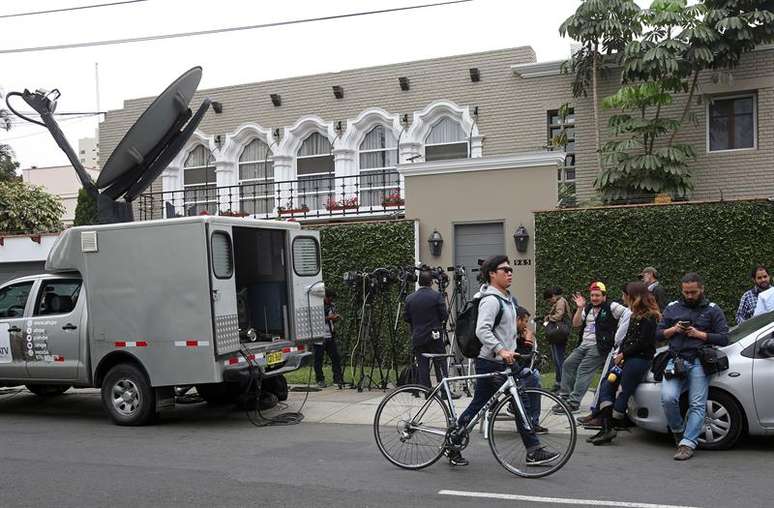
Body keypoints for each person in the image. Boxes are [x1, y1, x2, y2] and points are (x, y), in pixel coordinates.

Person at [449, 255, 558, 467]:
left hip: (503, 362)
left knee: (481, 405)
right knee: (518, 402)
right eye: (504, 269)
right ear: (492, 273)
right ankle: (533, 450)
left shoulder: (506, 299)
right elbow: (483, 330)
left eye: (511, 270)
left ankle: (453, 441)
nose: (509, 273)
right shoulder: (491, 300)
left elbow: (505, 331)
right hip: (492, 362)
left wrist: (518, 347)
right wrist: (501, 350)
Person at [659, 272, 729, 461]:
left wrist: (701, 335)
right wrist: (674, 329)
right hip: (676, 360)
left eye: (693, 292)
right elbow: (657, 335)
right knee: (667, 398)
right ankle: (678, 431)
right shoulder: (672, 307)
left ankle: (687, 444)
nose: (689, 296)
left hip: (699, 361)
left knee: (697, 404)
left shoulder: (713, 309)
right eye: (686, 292)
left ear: (702, 289)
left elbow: (724, 337)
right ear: (681, 290)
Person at [588, 282, 659, 445]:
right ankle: (606, 428)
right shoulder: (634, 315)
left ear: (632, 296)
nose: (622, 298)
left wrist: (623, 354)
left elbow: (643, 342)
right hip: (626, 358)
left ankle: (609, 427)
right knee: (607, 385)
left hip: (639, 360)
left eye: (624, 294)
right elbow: (628, 338)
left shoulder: (650, 317)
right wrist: (620, 355)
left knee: (622, 392)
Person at [555, 282, 626, 413]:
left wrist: (619, 333)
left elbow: (628, 314)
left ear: (604, 296)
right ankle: (564, 399)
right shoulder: (587, 308)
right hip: (583, 345)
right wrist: (580, 308)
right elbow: (576, 324)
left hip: (599, 346)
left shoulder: (612, 306)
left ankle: (574, 403)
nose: (594, 298)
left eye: (597, 295)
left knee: (584, 369)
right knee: (568, 364)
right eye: (592, 295)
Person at [403, 269, 450, 390]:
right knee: (440, 361)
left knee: (422, 364)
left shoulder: (410, 298)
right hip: (434, 336)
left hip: (418, 336)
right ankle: (444, 391)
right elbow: (444, 316)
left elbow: (406, 317)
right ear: (431, 282)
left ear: (419, 282)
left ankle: (426, 390)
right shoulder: (437, 296)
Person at [516, 306, 546, 433]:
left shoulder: (518, 334)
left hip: (518, 370)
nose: (526, 325)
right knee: (533, 377)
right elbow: (522, 359)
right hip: (509, 371)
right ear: (518, 320)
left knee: (534, 377)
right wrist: (527, 340)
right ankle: (529, 422)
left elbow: (527, 360)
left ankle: (532, 421)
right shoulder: (510, 334)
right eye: (525, 321)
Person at [313, 288, 344, 389]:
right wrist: (329, 318)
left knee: (336, 358)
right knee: (318, 360)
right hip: (319, 337)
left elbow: (332, 320)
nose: (331, 300)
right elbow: (315, 319)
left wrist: (335, 319)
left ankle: (337, 379)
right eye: (330, 298)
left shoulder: (332, 306)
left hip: (330, 335)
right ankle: (320, 380)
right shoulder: (317, 305)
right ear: (325, 297)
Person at [543, 288, 570, 392]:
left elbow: (558, 316)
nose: (550, 302)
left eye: (549, 300)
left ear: (553, 295)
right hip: (557, 334)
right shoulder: (559, 301)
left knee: (559, 359)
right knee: (556, 359)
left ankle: (562, 385)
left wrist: (548, 318)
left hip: (559, 333)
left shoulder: (560, 302)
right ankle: (559, 383)